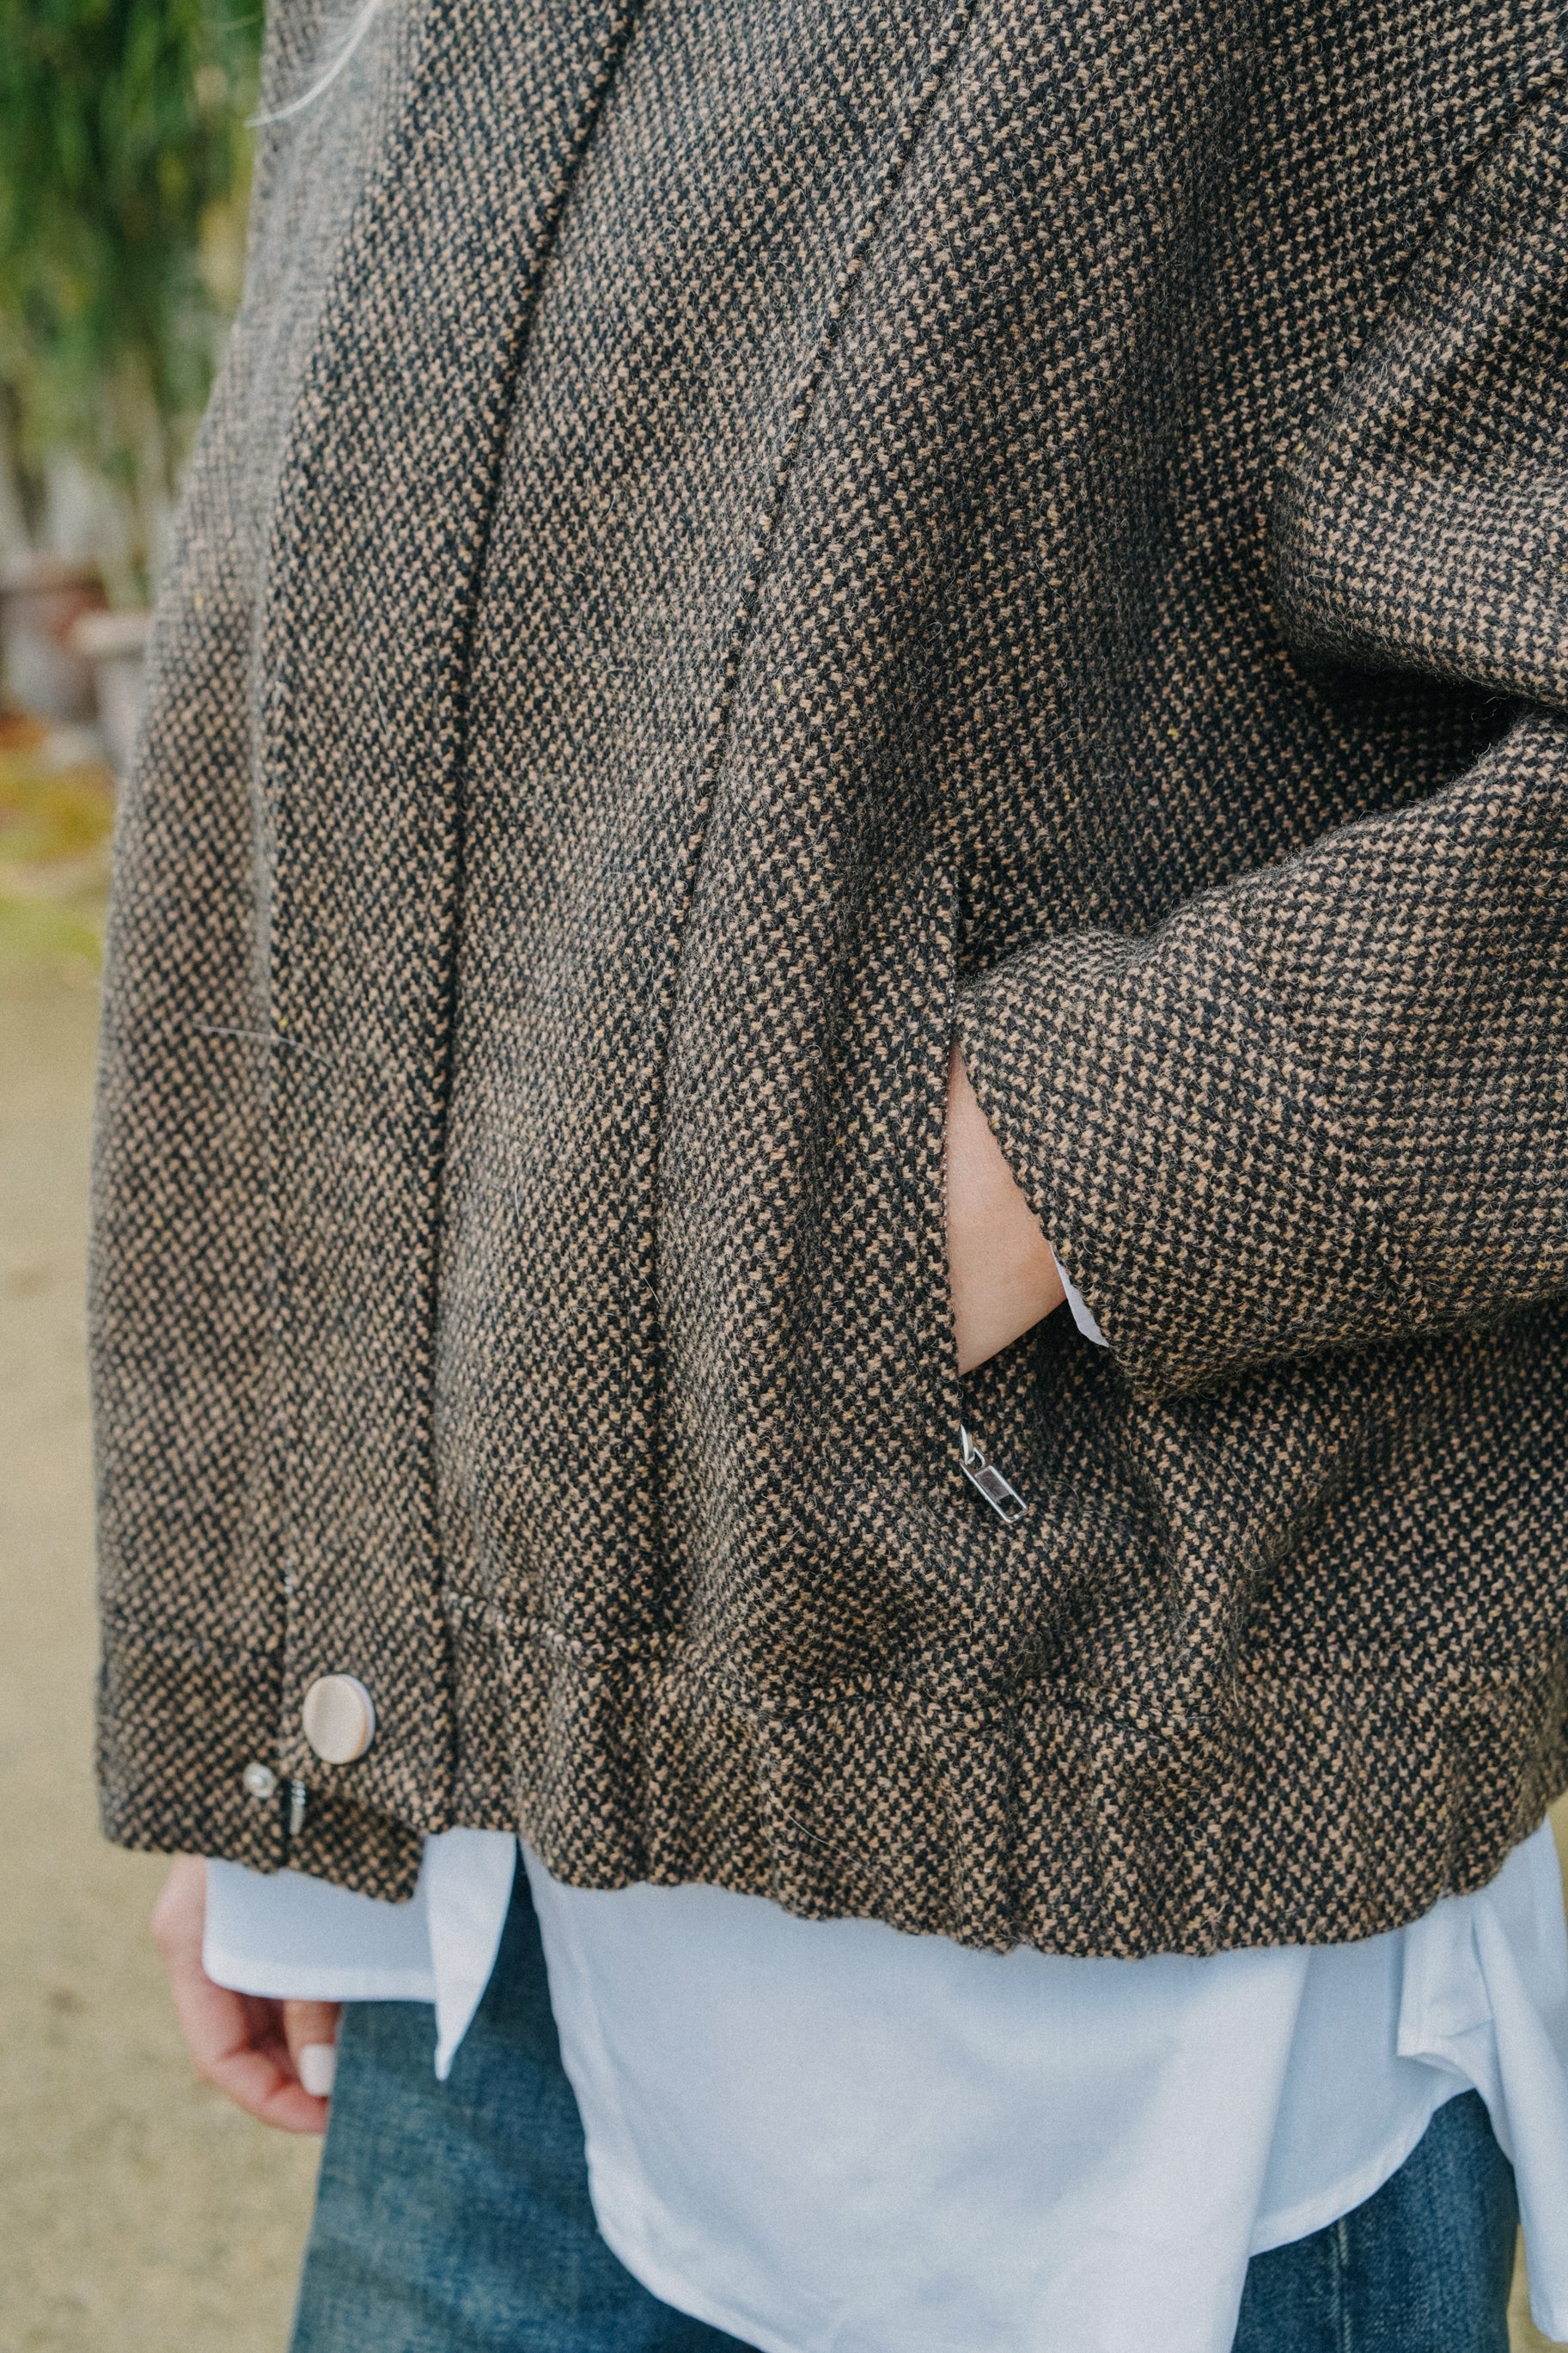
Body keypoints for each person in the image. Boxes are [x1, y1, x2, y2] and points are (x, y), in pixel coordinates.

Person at [93, 0, 1568, 2345]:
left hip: (1092, 1967)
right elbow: (377, 621)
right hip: (482, 1907)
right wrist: (302, 1635)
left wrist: (1039, 1174)